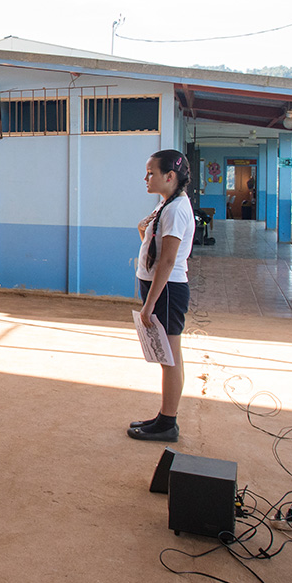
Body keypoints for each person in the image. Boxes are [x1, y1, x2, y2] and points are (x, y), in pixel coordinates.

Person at [126, 150, 195, 443]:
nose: (146, 178)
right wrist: (144, 231)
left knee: (170, 358)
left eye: (151, 173)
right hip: (159, 288)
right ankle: (163, 416)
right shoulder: (166, 204)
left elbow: (168, 260)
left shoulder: (176, 209)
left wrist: (150, 304)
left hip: (167, 290)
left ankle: (168, 422)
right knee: (167, 356)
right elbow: (154, 247)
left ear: (170, 176)